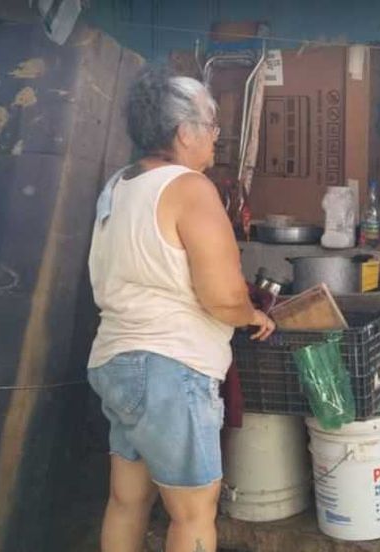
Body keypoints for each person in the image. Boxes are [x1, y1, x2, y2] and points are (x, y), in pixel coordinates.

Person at [86, 65, 275, 552]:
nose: (215, 139)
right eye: (211, 126)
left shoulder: (119, 186)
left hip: (117, 362)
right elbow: (222, 297)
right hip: (171, 368)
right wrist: (253, 315)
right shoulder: (189, 188)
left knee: (127, 501)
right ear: (183, 132)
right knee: (193, 516)